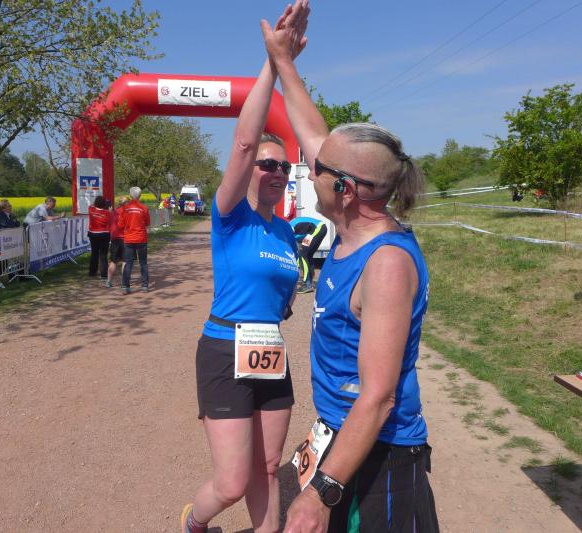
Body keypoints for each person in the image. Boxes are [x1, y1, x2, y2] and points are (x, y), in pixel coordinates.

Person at [264, 11, 440, 532]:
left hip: (380, 458)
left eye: (317, 167)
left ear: (344, 189)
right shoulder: (352, 224)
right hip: (345, 441)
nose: (309, 166)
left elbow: (379, 397)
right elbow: (316, 136)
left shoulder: (385, 264)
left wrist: (322, 493)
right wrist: (283, 61)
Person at [179, 5, 307, 533]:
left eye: (283, 166)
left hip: (269, 349)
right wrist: (274, 63)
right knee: (232, 482)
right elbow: (244, 142)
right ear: (250, 170)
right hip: (224, 347)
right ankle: (195, 522)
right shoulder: (230, 215)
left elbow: (283, 295)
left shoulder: (286, 231)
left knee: (269, 466)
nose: (276, 171)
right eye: (267, 164)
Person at [118, 186, 150, 294]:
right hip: (141, 239)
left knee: (128, 263)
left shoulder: (124, 208)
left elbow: (120, 225)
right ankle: (145, 286)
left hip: (129, 239)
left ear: (130, 195)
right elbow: (147, 223)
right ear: (140, 195)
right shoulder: (144, 208)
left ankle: (125, 287)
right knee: (143, 263)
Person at [0, 199, 21, 288]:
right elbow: (6, 226)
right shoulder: (0, 215)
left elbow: (16, 224)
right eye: (9, 206)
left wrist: (15, 223)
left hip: (5, 242)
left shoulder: (9, 215)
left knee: (3, 261)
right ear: (3, 208)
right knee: (0, 262)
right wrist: (14, 224)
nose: (11, 207)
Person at [289, 216, 327, 293]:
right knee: (307, 254)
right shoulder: (293, 234)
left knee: (303, 254)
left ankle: (307, 284)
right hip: (319, 228)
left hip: (317, 228)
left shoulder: (289, 228)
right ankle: (310, 280)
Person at [107, 196, 129, 288]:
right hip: (124, 238)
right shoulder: (127, 213)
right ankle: (124, 283)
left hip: (114, 238)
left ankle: (109, 281)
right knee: (125, 261)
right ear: (126, 203)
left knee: (113, 261)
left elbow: (109, 224)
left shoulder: (113, 212)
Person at [87, 195, 111, 279]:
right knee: (103, 255)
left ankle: (92, 272)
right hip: (104, 234)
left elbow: (91, 205)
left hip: (93, 234)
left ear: (95, 203)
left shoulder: (91, 210)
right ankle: (104, 274)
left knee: (94, 253)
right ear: (104, 204)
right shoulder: (107, 213)